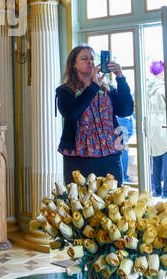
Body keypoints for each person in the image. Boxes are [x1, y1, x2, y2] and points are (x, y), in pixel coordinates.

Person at [56, 46, 134, 183]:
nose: (90, 62)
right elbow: (72, 114)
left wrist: (120, 78)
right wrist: (93, 87)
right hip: (79, 158)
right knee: (80, 201)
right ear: (73, 65)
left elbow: (126, 110)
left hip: (110, 155)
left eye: (92, 58)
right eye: (84, 59)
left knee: (114, 200)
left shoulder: (108, 89)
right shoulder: (65, 91)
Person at [143, 60, 167, 195]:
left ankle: (156, 189)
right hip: (163, 123)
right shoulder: (164, 88)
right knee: (166, 157)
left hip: (151, 125)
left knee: (156, 158)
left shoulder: (148, 88)